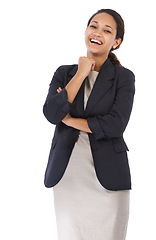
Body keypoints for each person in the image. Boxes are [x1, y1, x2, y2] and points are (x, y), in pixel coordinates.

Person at [43, 8, 135, 240]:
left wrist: (71, 120)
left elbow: (115, 125)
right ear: (86, 31)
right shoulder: (65, 74)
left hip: (108, 177)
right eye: (93, 26)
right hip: (68, 176)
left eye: (107, 30)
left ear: (116, 42)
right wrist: (81, 74)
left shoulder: (123, 78)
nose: (97, 33)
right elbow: (52, 113)